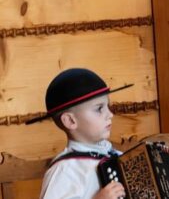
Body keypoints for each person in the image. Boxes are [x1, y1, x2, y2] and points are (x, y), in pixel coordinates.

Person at [27, 68, 132, 199]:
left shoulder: (117, 156)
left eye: (108, 106)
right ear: (70, 121)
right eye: (99, 109)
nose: (110, 114)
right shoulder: (65, 171)